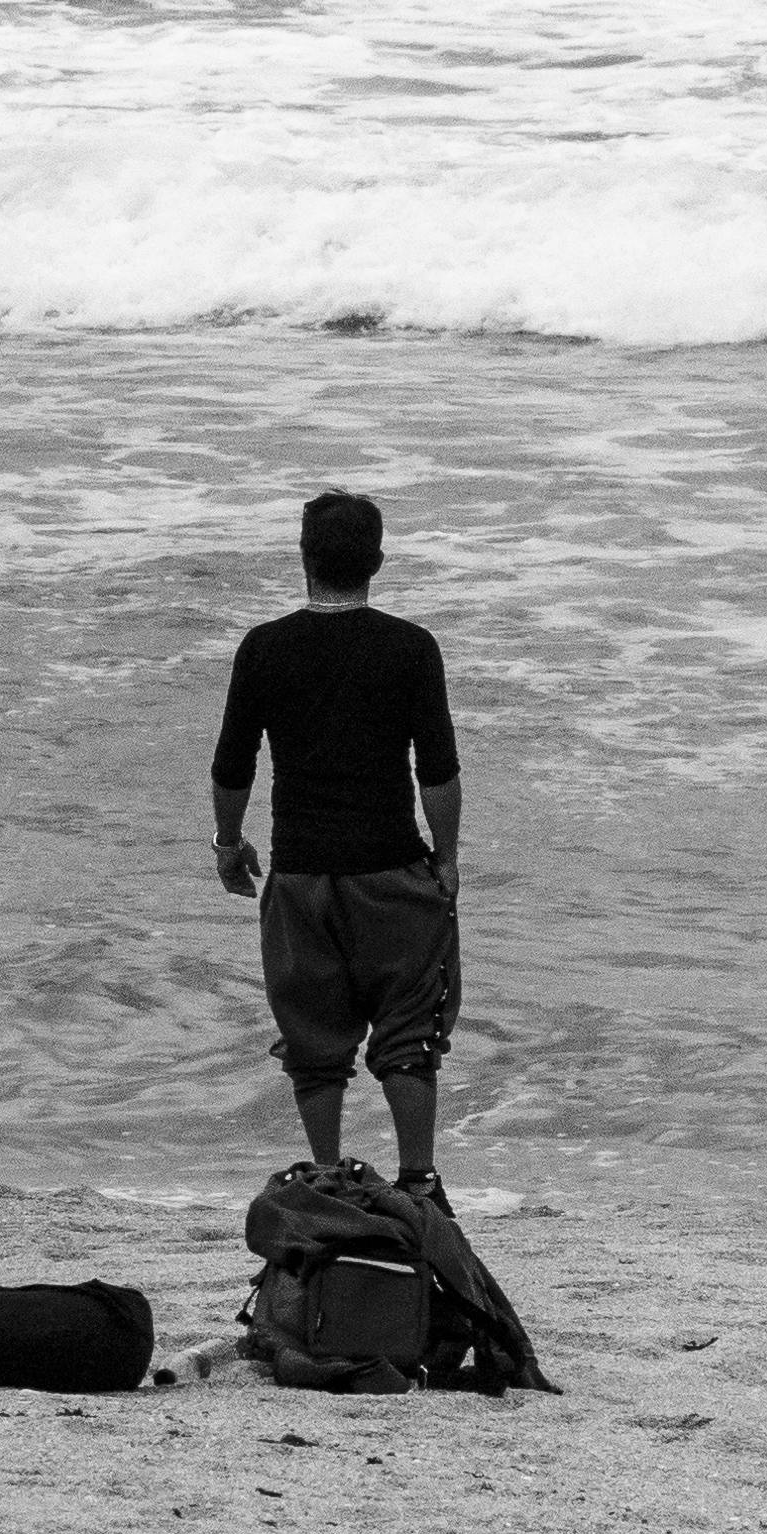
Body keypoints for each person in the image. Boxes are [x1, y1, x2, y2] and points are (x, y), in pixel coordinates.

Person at [208, 487, 464, 1195]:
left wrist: (228, 844)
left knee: (313, 1043)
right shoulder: (411, 648)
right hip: (391, 869)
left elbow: (233, 764)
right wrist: (446, 859)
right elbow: (437, 769)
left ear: (304, 558)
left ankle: (325, 1176)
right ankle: (419, 1182)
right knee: (409, 1034)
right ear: (377, 561)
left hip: (300, 875)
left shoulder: (264, 648)